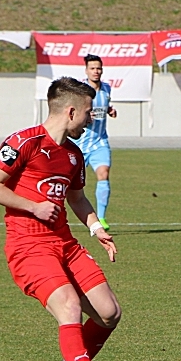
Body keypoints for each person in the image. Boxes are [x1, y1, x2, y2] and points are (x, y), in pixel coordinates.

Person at [0, 77, 127, 361]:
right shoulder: (24, 142)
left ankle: (74, 359)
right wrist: (32, 207)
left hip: (65, 243)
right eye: (89, 113)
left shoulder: (74, 156)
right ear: (71, 111)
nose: (91, 120)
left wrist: (95, 227)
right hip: (28, 245)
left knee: (109, 313)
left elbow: (76, 197)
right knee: (68, 305)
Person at [70, 55, 116, 230]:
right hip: (80, 143)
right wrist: (88, 115)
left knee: (103, 174)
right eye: (92, 68)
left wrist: (110, 110)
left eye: (98, 68)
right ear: (86, 70)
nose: (96, 71)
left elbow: (105, 105)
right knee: (68, 181)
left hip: (100, 142)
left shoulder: (106, 88)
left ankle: (102, 218)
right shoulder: (81, 90)